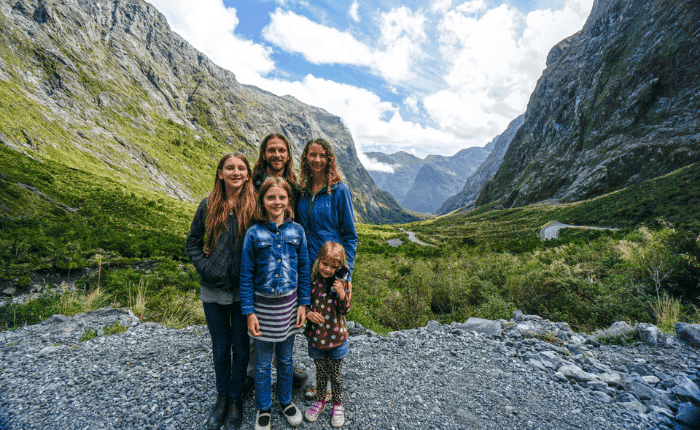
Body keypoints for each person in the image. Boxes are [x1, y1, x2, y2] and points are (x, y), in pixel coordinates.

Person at [185, 153, 256, 430]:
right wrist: (206, 267)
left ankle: (236, 399)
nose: (236, 172)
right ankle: (222, 397)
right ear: (220, 173)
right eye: (230, 168)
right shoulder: (207, 205)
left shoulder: (254, 207)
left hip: (242, 292)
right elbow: (192, 242)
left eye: (241, 168)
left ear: (248, 174)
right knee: (219, 346)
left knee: (240, 347)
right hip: (213, 291)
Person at [239, 177, 311, 430]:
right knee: (261, 362)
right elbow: (246, 275)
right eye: (271, 197)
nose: (277, 202)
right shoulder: (254, 233)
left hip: (290, 307)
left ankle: (285, 400)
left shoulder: (297, 231)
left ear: (288, 201)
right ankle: (264, 407)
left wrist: (304, 304)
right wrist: (249, 312)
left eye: (282, 197)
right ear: (263, 201)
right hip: (262, 308)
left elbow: (304, 268)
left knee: (287, 359)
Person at [243, 133, 308, 396]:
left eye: (282, 150)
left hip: (287, 273)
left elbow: (302, 263)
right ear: (264, 153)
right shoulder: (252, 183)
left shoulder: (293, 185)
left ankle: (283, 377)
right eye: (272, 150)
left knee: (285, 338)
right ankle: (253, 379)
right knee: (259, 339)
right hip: (260, 265)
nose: (277, 155)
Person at [296, 138, 358, 401]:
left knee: (332, 324)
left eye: (322, 155)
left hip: (331, 269)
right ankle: (322, 385)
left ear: (329, 158)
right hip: (308, 269)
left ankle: (333, 389)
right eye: (312, 154)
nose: (317, 160)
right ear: (306, 158)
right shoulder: (302, 189)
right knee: (313, 325)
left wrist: (345, 275)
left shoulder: (339, 190)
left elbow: (350, 236)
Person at [303, 242, 351, 428]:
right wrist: (308, 314)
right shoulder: (311, 280)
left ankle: (338, 404)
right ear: (319, 260)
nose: (328, 269)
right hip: (317, 338)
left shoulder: (341, 283)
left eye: (333, 267)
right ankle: (320, 401)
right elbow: (303, 302)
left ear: (340, 268)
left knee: (336, 375)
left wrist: (341, 294)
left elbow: (344, 310)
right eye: (325, 264)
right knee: (321, 374)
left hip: (336, 338)